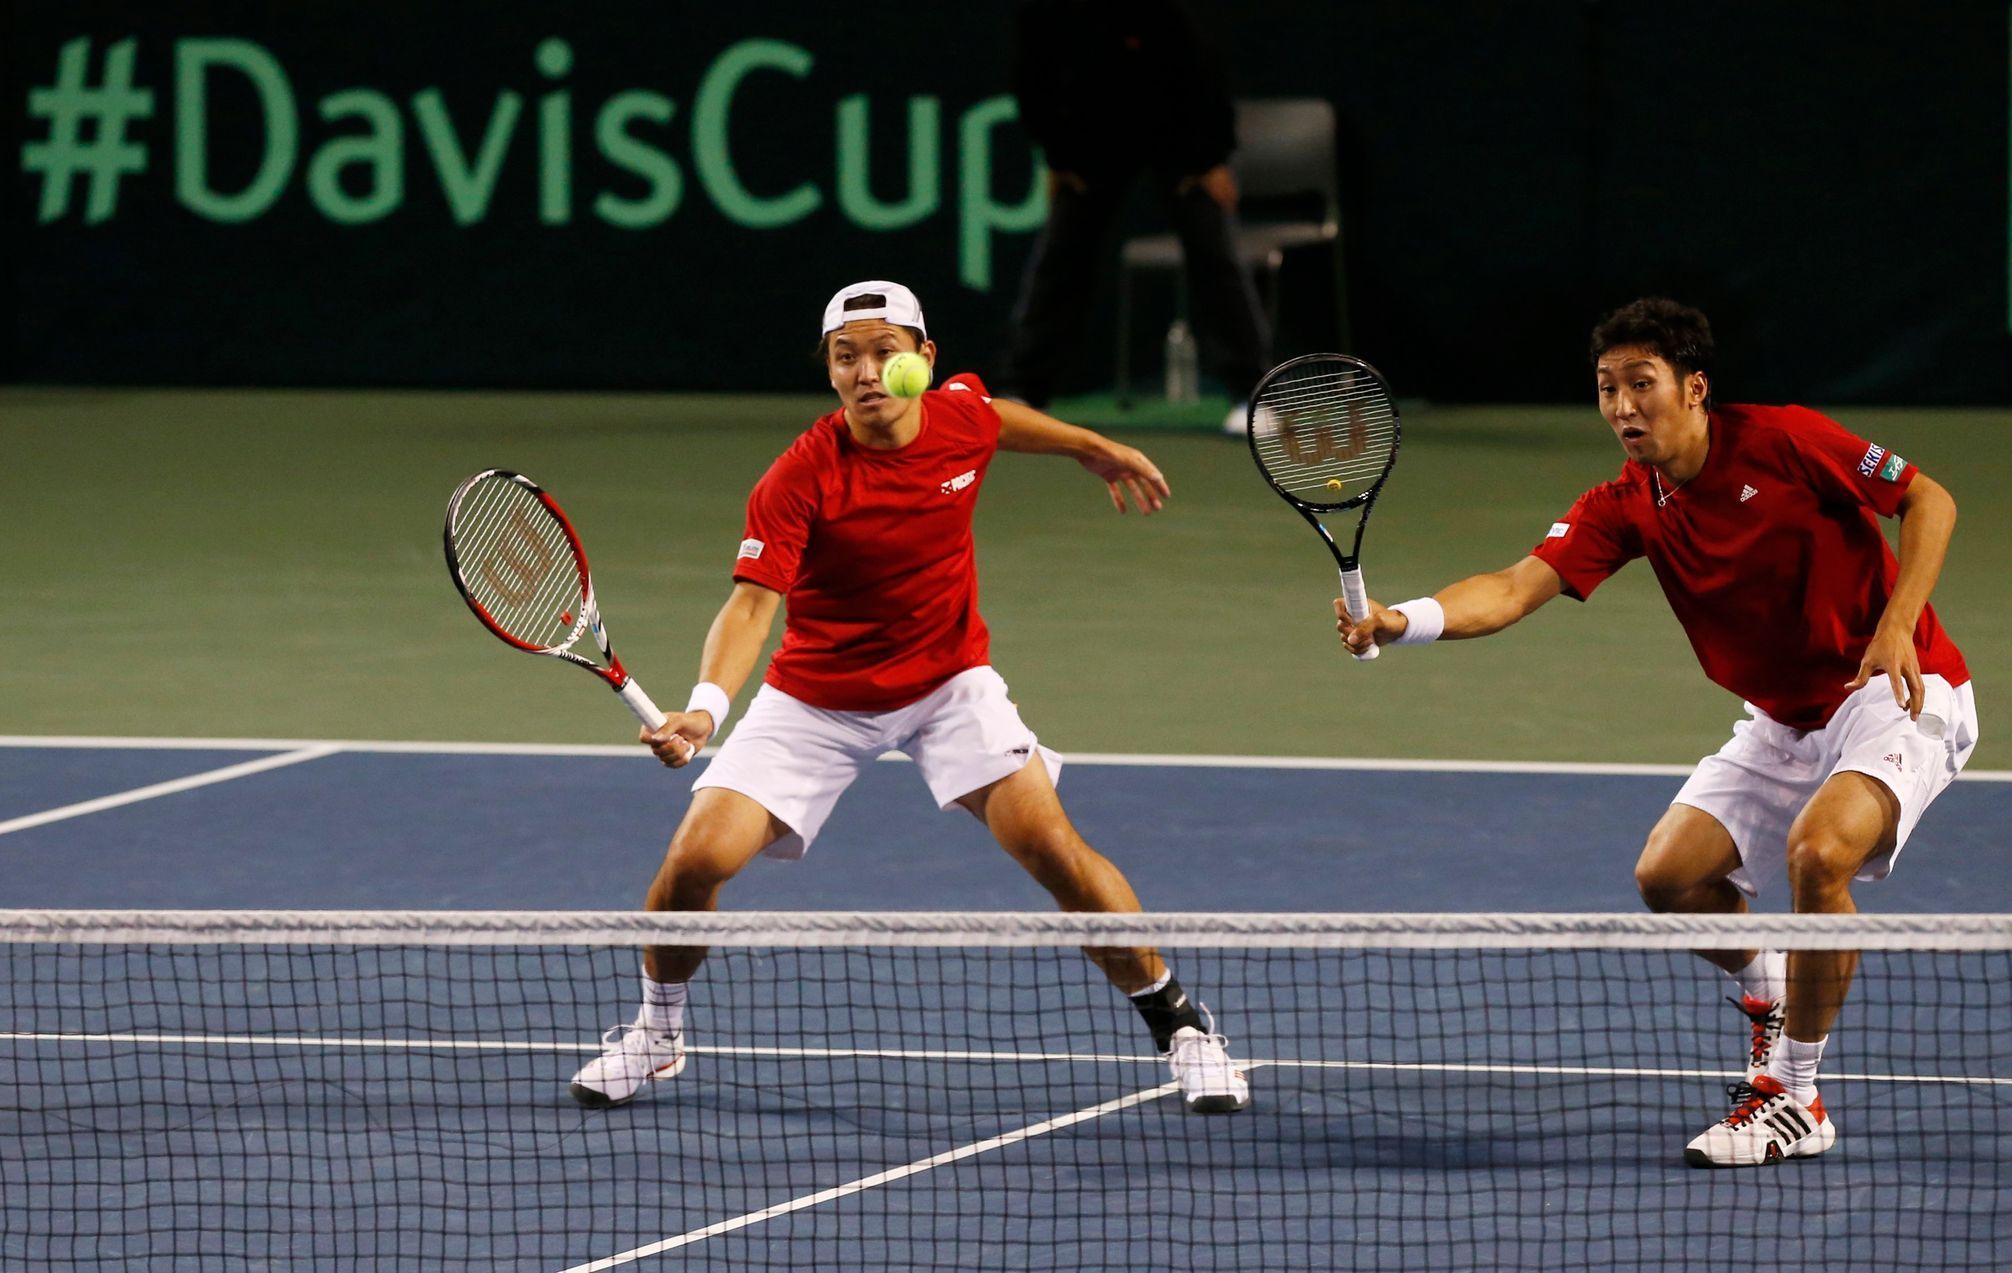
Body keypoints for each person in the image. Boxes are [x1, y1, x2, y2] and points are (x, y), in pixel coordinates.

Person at [568, 280, 1250, 1115]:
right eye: (845, 355)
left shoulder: (957, 416)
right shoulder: (799, 476)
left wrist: (1088, 446)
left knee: (1054, 851)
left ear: (922, 361)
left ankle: (1182, 1029)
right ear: (829, 371)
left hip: (946, 681)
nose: (865, 369)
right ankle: (657, 1032)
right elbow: (752, 601)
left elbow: (997, 415)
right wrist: (706, 706)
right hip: (817, 695)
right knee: (693, 864)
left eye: (884, 349)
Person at [1338, 297, 1976, 1168]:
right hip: (1781, 717)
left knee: (1819, 857)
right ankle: (1773, 997)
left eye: (1642, 385)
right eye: (1607, 389)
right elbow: (1515, 585)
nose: (1623, 408)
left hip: (1892, 688)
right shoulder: (1625, 504)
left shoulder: (1785, 439)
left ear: (1695, 388)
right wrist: (1399, 620)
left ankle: (1794, 1094)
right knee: (1668, 877)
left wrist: (1898, 619)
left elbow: (1927, 498)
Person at [1001, 0, 1272, 433]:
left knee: (1214, 257)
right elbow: (1035, 69)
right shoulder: (1048, 12)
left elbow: (1202, 63)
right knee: (1061, 258)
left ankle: (1252, 394)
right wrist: (1058, 153)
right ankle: (1023, 393)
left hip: (1181, 132)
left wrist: (1209, 157)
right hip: (1091, 133)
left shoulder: (1172, 18)